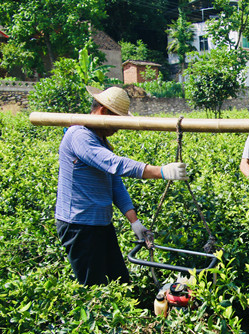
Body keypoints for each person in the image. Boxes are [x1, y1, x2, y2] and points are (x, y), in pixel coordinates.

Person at [55, 86, 188, 286]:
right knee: (94, 287)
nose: (118, 128)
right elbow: (114, 164)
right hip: (79, 226)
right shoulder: (79, 135)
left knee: (120, 281)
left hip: (101, 224)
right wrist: (161, 171)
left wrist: (135, 222)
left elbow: (114, 182)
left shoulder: (100, 140)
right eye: (117, 120)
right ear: (103, 112)